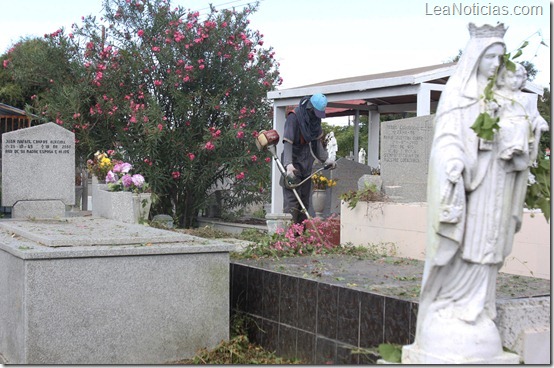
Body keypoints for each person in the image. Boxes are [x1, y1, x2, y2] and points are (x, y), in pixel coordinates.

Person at [410, 23, 548, 361]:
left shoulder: (511, 99)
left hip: (498, 182)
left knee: (491, 244)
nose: (495, 63)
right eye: (491, 57)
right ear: (476, 58)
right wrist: (454, 161)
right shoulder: (458, 96)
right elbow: (446, 140)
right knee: (466, 242)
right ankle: (451, 304)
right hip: (470, 185)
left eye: (501, 57)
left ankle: (478, 307)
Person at [281, 93, 336, 224]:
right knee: (292, 203)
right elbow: (288, 142)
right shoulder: (294, 117)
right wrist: (288, 165)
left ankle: (301, 237)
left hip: (306, 161)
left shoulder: (315, 120)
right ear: (309, 108)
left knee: (304, 202)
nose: (317, 115)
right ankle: (289, 236)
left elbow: (316, 143)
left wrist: (325, 159)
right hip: (293, 161)